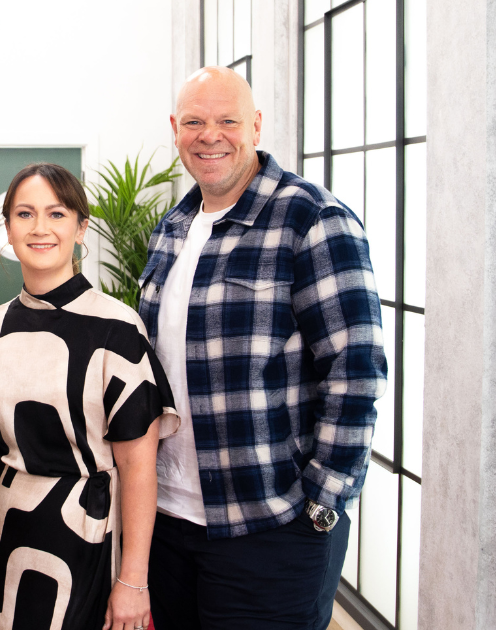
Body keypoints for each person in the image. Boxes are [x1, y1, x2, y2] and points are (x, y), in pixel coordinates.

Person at [141, 67, 387, 630]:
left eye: (228, 120)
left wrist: (322, 504)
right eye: (196, 122)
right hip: (170, 520)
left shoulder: (311, 218)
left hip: (271, 526)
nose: (211, 135)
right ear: (176, 129)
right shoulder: (173, 226)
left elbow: (356, 372)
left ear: (255, 125)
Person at [0, 163, 178, 630]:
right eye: (25, 214)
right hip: (0, 540)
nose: (39, 229)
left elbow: (138, 465)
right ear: (8, 230)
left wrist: (133, 579)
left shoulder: (119, 329)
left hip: (89, 536)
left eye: (56, 214)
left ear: (81, 227)